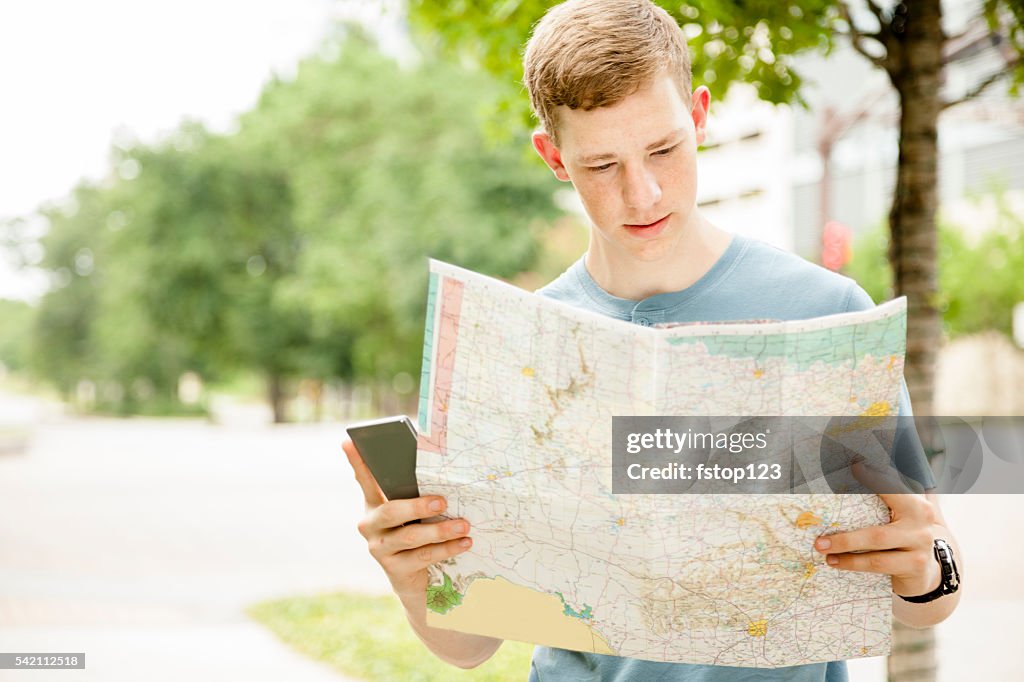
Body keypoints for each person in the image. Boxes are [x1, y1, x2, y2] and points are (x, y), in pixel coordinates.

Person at [342, 1, 962, 679]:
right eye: (602, 165)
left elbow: (928, 600)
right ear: (553, 157)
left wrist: (926, 565)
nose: (642, 195)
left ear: (698, 115)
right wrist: (411, 578)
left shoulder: (827, 312)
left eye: (664, 149)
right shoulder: (512, 351)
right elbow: (474, 645)